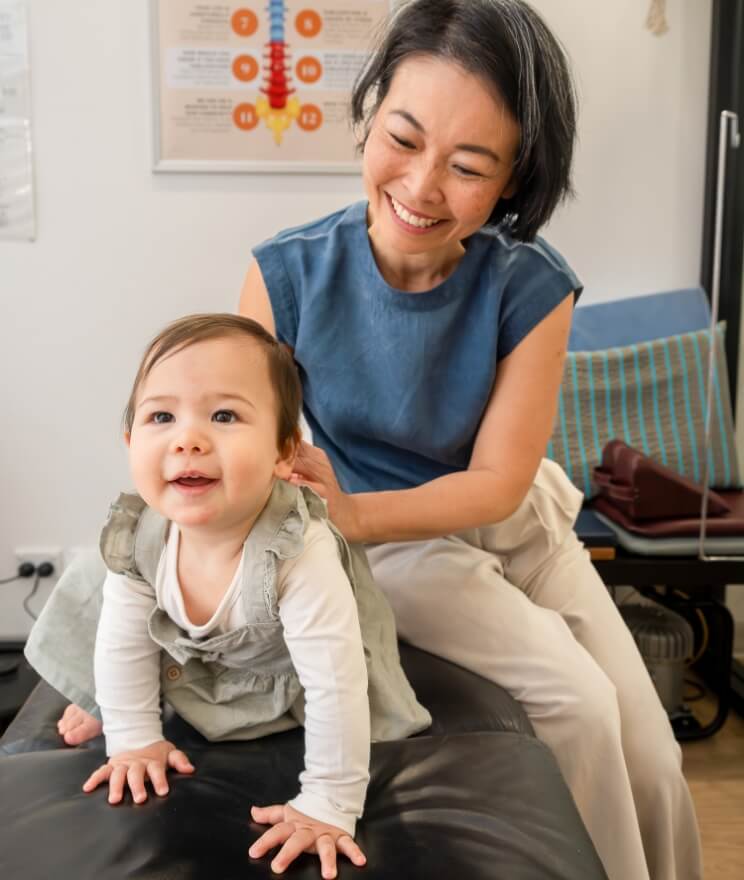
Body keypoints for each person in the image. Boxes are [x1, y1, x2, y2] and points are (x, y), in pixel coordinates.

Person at [238, 1, 703, 878]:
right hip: (392, 541)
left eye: (468, 166)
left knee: (653, 752)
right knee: (578, 706)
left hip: (515, 522)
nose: (420, 188)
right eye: (403, 139)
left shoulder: (533, 285)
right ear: (371, 110)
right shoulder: (284, 276)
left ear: (514, 178)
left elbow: (497, 485)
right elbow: (236, 461)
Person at [24, 313, 430, 880]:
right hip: (189, 653)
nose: (188, 439)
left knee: (348, 687)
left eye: (224, 415)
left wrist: (329, 804)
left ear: (283, 452)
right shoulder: (142, 536)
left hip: (279, 664)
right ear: (130, 441)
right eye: (161, 416)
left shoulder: (298, 550)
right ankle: (103, 701)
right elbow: (122, 644)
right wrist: (134, 739)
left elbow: (335, 683)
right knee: (96, 583)